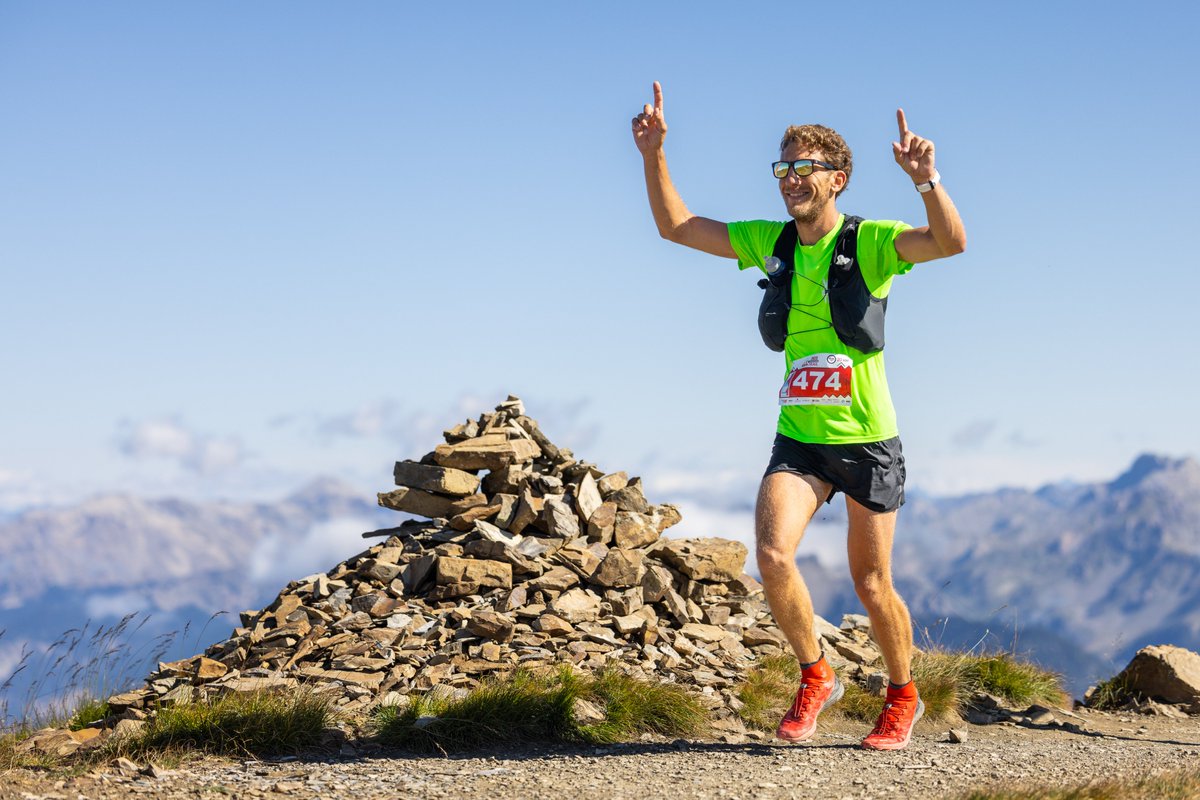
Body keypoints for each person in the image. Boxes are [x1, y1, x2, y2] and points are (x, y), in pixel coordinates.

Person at [631, 81, 966, 751]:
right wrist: (653, 153)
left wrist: (927, 182)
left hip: (868, 440)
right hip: (800, 438)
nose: (790, 177)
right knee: (773, 554)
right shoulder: (772, 241)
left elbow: (950, 242)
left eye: (805, 166)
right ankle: (817, 675)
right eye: (783, 166)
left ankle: (903, 693)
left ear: (837, 178)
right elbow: (677, 227)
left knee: (872, 584)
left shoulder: (870, 241)